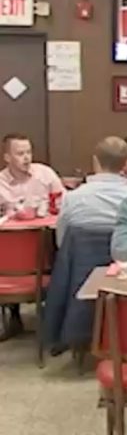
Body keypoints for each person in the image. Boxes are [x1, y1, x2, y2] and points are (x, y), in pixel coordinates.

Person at [0, 133, 65, 340]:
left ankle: (55, 319)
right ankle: (13, 314)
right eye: (20, 153)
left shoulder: (45, 174)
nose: (26, 158)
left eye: (28, 152)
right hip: (12, 250)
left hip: (48, 245)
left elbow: (65, 203)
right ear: (7, 157)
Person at [55, 137, 127, 248]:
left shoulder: (71, 198)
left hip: (80, 263)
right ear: (125, 164)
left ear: (95, 161)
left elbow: (61, 242)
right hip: (123, 263)